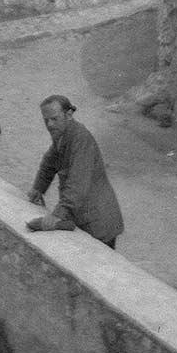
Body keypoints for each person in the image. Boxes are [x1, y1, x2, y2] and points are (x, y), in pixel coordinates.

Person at [26, 95, 123, 248]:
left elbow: (77, 184)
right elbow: (49, 163)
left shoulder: (80, 139)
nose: (50, 124)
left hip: (98, 222)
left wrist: (57, 215)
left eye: (54, 119)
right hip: (85, 218)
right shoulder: (63, 135)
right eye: (46, 120)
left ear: (69, 115)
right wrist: (38, 188)